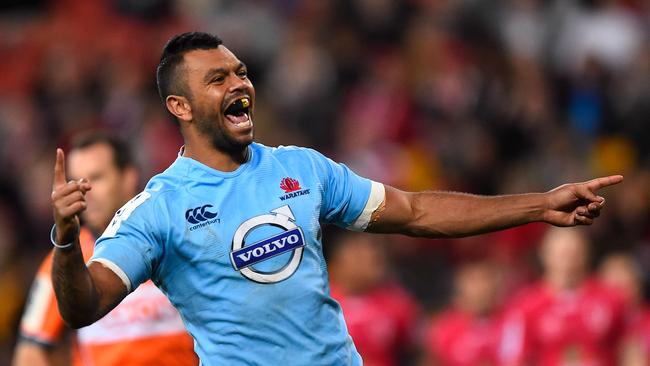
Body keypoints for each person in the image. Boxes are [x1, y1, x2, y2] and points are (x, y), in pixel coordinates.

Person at [48, 32, 622, 365]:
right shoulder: (158, 208)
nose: (239, 84)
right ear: (180, 107)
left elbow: (416, 212)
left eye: (241, 72)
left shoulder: (302, 168)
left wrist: (540, 204)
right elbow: (83, 306)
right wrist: (67, 244)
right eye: (217, 79)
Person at [13, 133, 197, 366]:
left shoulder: (175, 240)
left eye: (96, 178)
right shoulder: (63, 260)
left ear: (128, 177)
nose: (85, 191)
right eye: (76, 182)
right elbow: (30, 351)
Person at [498, 227, 628, 366]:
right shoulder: (526, 306)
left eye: (573, 252)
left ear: (586, 252)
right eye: (562, 253)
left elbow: (630, 349)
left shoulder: (611, 298)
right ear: (544, 253)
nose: (568, 259)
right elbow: (514, 359)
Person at [329, 233, 419, 366]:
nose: (375, 257)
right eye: (362, 253)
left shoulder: (397, 303)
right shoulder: (322, 301)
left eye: (377, 252)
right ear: (340, 258)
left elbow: (417, 350)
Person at [424, 259, 504, 366]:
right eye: (474, 281)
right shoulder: (445, 329)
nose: (482, 287)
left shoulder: (509, 321)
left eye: (485, 279)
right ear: (460, 288)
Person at [599, 252, 650, 366]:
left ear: (638, 284)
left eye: (624, 284)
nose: (618, 296)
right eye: (613, 288)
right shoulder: (597, 328)